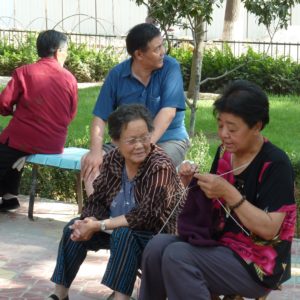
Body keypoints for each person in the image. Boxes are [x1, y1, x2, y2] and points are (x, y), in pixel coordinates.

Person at [139, 80, 296, 300]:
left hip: (258, 264)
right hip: (219, 245)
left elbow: (269, 229)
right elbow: (211, 206)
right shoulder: (225, 152)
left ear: (257, 126)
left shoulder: (275, 164)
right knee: (156, 248)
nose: (223, 134)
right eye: (220, 125)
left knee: (177, 256)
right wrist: (191, 183)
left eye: (232, 128)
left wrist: (229, 192)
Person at [49, 104, 185, 300]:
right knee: (73, 228)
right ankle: (59, 295)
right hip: (118, 229)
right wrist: (88, 221)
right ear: (116, 141)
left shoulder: (159, 165)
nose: (140, 145)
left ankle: (121, 297)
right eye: (131, 140)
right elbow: (98, 199)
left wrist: (100, 224)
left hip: (156, 236)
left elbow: (146, 216)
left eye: (144, 137)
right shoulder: (114, 159)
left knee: (124, 234)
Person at [81, 22, 189, 193]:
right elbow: (100, 117)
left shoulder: (170, 67)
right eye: (157, 49)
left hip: (169, 139)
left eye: (162, 46)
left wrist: (143, 148)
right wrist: (95, 152)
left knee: (151, 165)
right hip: (127, 141)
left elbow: (168, 113)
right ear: (139, 54)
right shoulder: (117, 74)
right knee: (92, 163)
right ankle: (95, 215)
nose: (163, 52)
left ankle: (138, 219)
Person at [0, 29, 78, 211]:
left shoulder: (24, 72)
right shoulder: (70, 79)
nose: (66, 54)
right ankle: (10, 198)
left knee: (7, 144)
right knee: (13, 149)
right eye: (66, 50)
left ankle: (9, 196)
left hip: (24, 139)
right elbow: (71, 114)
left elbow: (3, 104)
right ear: (58, 51)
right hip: (54, 143)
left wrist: (15, 112)